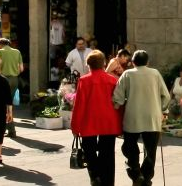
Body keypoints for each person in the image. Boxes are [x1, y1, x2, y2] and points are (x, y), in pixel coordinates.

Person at [113, 50, 170, 186]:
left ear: (132, 62)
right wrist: (164, 110)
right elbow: (166, 95)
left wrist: (116, 105)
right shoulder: (155, 73)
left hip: (133, 117)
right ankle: (146, 177)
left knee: (129, 147)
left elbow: (118, 97)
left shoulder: (127, 74)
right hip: (152, 117)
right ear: (147, 62)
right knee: (150, 150)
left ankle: (135, 172)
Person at [71, 50, 121, 186]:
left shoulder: (84, 80)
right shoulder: (112, 80)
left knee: (89, 151)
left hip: (89, 122)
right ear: (104, 64)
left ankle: (95, 176)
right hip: (109, 122)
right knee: (108, 154)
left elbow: (79, 105)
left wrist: (75, 126)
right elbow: (118, 103)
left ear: (88, 65)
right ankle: (108, 181)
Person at [0, 38, 23, 137]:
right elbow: (21, 68)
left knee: (2, 105)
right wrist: (15, 72)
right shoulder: (17, 52)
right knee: (9, 104)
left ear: (0, 44)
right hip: (14, 79)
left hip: (3, 79)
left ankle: (9, 129)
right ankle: (9, 129)